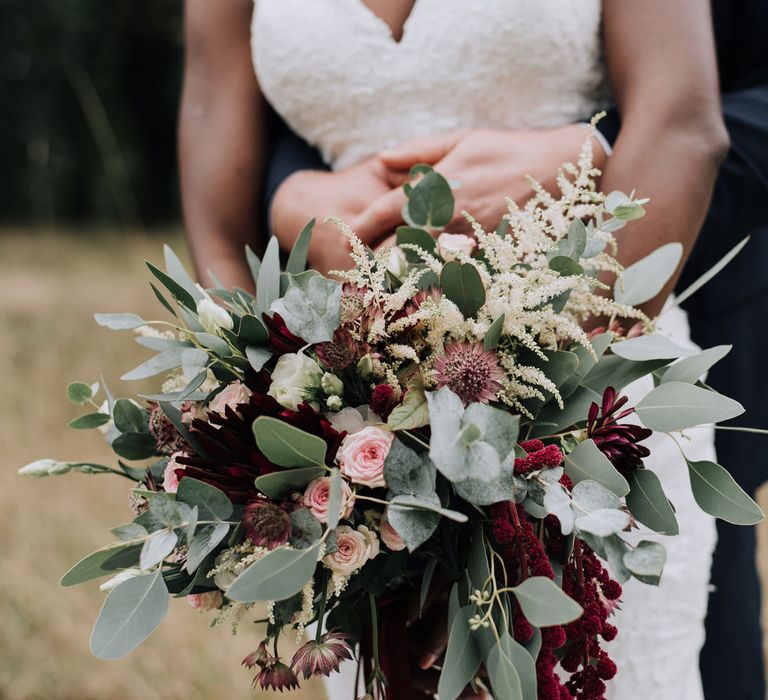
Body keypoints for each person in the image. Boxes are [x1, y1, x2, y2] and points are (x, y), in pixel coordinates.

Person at [178, 1, 730, 697]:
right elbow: (217, 214)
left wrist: (547, 424)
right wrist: (250, 384)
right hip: (357, 440)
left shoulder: (578, 409)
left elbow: (682, 123)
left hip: (590, 408)